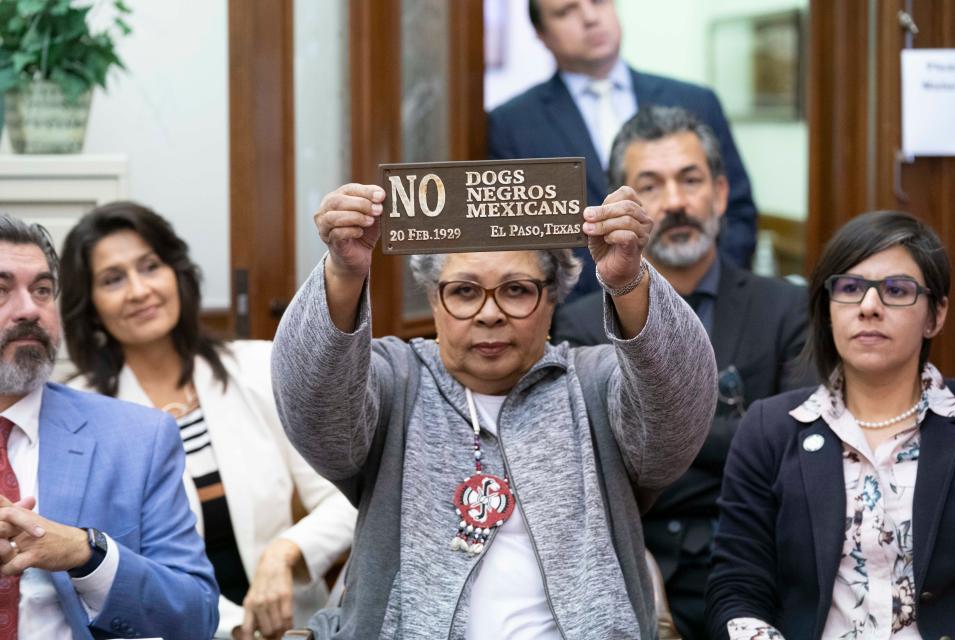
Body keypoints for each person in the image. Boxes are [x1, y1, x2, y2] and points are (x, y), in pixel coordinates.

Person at [270, 181, 717, 638]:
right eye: (464, 292)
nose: (489, 314)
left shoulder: (594, 383)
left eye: (516, 290)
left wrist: (628, 282)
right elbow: (317, 416)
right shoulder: (395, 380)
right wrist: (344, 274)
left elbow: (677, 418)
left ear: (552, 297)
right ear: (433, 299)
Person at [552, 105, 807, 639]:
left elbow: (794, 449)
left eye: (690, 180)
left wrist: (653, 447)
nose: (674, 201)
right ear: (618, 205)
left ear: (718, 193)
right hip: (626, 567)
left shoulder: (787, 310)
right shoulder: (578, 327)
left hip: (761, 561)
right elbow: (595, 464)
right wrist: (740, 431)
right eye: (650, 184)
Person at [58, 202, 357, 640]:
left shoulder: (259, 367)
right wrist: (234, 627)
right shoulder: (80, 412)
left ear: (177, 273)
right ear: (91, 304)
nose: (139, 290)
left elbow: (344, 502)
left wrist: (285, 553)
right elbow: (118, 560)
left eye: (150, 266)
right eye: (113, 279)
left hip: (294, 629)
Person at [706, 211, 955, 638]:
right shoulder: (770, 431)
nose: (869, 307)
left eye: (896, 290)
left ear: (935, 314)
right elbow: (737, 587)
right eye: (849, 288)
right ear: (826, 309)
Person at [0, 214, 218, 638]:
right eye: (0, 290)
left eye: (42, 290)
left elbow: (196, 617)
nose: (29, 309)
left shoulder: (139, 439)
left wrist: (88, 554)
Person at [488, 0, 757, 300]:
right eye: (567, 11)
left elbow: (738, 210)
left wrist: (707, 290)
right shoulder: (512, 123)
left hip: (705, 304)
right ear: (541, 34)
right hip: (583, 322)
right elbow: (520, 244)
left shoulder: (696, 101)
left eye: (598, 2)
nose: (590, 18)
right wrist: (593, 313)